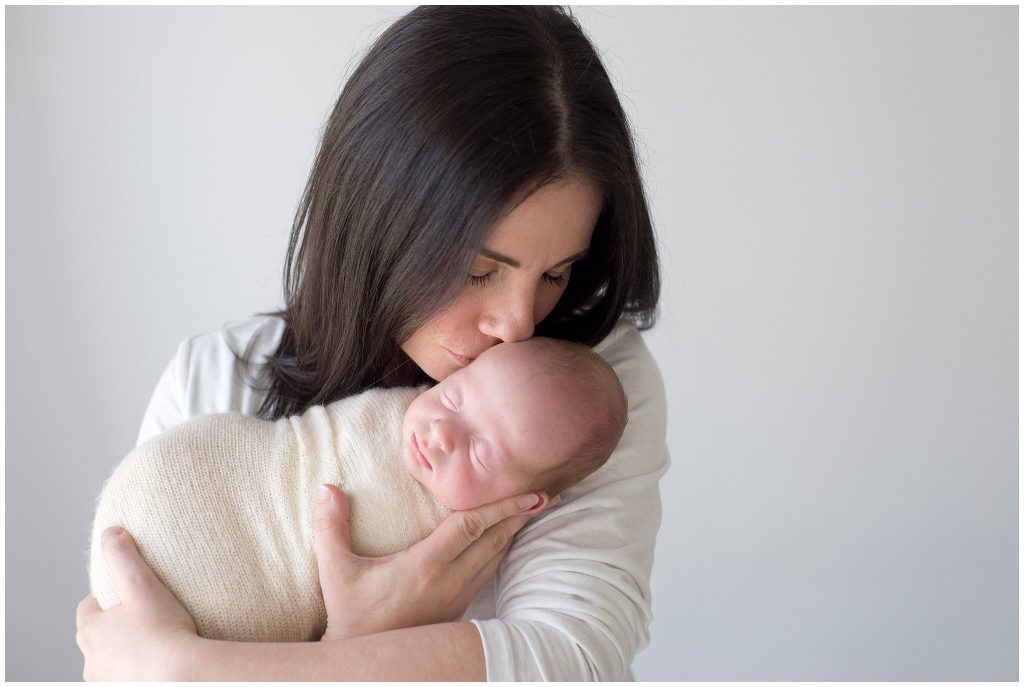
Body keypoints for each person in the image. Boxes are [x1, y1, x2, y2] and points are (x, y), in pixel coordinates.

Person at [76, 5, 667, 681]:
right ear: (381, 222)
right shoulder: (216, 379)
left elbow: (573, 659)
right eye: (478, 269)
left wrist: (191, 668)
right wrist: (355, 639)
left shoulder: (582, 393)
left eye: (555, 274)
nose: (517, 326)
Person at [88, 338, 628, 643]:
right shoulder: (210, 366)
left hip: (224, 598)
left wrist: (348, 642)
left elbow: (570, 658)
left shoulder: (457, 543)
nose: (442, 433)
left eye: (483, 452)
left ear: (528, 501)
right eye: (454, 397)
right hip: (173, 497)